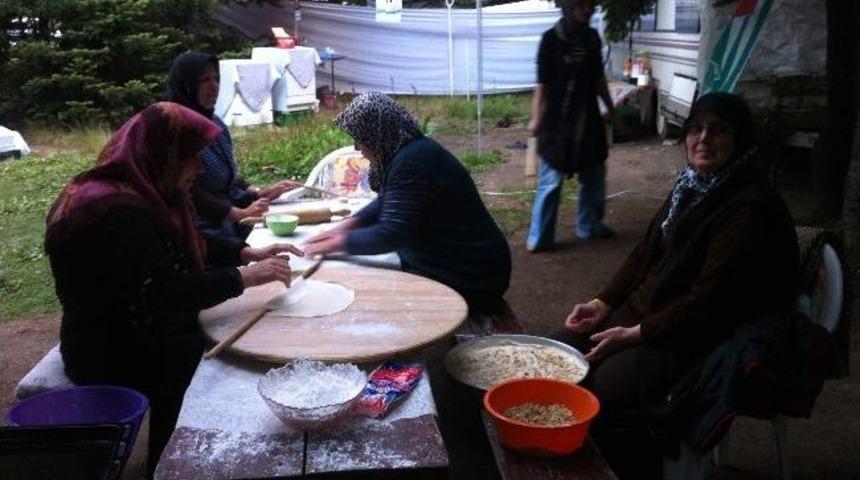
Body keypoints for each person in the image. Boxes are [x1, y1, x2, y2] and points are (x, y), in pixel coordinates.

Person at [45, 102, 302, 476]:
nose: (199, 169)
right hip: (111, 348)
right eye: (192, 158)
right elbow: (168, 290)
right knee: (220, 368)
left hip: (136, 329)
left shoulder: (140, 186)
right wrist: (244, 277)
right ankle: (171, 466)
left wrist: (247, 252)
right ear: (163, 154)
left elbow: (181, 243)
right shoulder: (114, 210)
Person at [556, 93, 802, 479]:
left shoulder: (747, 207)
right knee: (558, 351)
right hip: (647, 314)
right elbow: (643, 253)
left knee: (602, 394)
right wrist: (603, 303)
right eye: (696, 129)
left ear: (740, 141)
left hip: (693, 334)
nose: (704, 139)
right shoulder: (693, 184)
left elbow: (710, 302)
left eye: (719, 131)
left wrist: (637, 334)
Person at [303, 92, 511, 316]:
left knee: (373, 301)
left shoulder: (412, 162)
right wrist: (347, 225)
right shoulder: (408, 151)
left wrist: (337, 243)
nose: (356, 147)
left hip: (470, 274)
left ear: (377, 134)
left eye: (360, 138)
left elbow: (391, 234)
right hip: (465, 264)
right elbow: (387, 200)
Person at [164, 52, 299, 240]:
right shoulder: (176, 129)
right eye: (204, 80)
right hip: (203, 226)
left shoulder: (215, 122)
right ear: (185, 85)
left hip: (229, 214)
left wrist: (257, 191)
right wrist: (238, 214)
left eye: (216, 78)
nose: (214, 87)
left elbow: (226, 176)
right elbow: (190, 192)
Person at [526, 0, 615, 252]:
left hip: (587, 119)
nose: (587, 10)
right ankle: (539, 238)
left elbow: (598, 78)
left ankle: (590, 226)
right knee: (550, 182)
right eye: (581, 5)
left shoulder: (592, 38)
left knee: (594, 175)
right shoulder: (550, 40)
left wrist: (610, 106)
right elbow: (541, 85)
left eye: (590, 5)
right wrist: (536, 118)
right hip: (556, 122)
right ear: (568, 7)